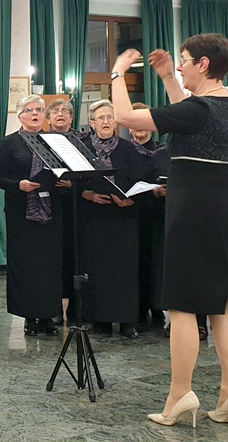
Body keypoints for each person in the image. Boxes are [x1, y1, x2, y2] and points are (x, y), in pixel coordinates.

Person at [112, 35, 228, 428]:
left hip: (192, 214)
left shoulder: (198, 109)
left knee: (182, 306)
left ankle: (179, 394)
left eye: (185, 60)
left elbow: (125, 117)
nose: (182, 65)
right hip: (226, 213)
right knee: (222, 306)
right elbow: (186, 113)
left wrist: (118, 72)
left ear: (203, 64)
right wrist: (169, 77)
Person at [0, 95, 62, 336]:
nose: (35, 114)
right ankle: (29, 317)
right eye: (29, 110)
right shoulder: (10, 143)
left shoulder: (55, 141)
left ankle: (48, 316)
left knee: (49, 266)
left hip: (51, 212)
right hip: (20, 213)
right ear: (20, 116)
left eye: (39, 110)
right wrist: (18, 185)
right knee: (25, 266)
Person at [78, 100, 141, 339]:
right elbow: (74, 181)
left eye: (110, 117)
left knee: (124, 271)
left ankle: (127, 321)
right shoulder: (82, 148)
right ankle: (101, 320)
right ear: (92, 123)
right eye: (101, 118)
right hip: (94, 217)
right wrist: (87, 194)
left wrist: (131, 199)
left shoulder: (128, 148)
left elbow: (138, 179)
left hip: (123, 218)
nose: (106, 122)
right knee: (97, 270)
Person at [128, 102, 171, 331]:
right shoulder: (124, 150)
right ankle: (137, 308)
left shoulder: (162, 151)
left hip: (156, 214)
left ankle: (156, 308)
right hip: (130, 213)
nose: (140, 128)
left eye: (144, 123)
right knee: (135, 262)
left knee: (154, 262)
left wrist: (159, 190)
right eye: (135, 123)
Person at [46, 99, 83, 323]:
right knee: (53, 259)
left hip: (77, 206)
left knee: (75, 257)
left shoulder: (82, 141)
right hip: (48, 205)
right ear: (48, 118)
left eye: (65, 111)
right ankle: (54, 309)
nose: (60, 114)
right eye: (55, 111)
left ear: (71, 117)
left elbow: (89, 172)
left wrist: (73, 184)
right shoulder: (40, 140)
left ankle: (76, 310)